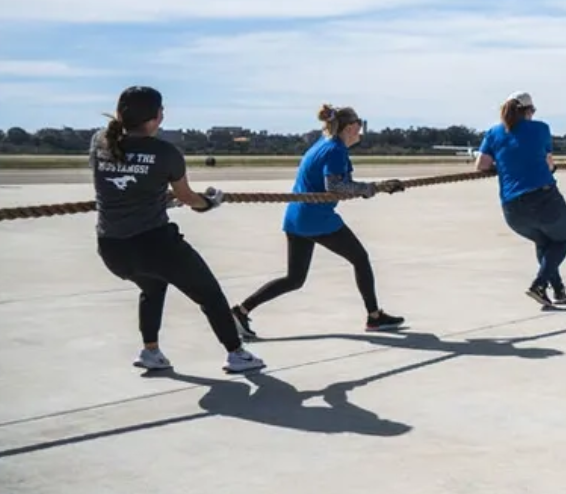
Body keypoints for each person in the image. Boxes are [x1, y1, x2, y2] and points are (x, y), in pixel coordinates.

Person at [90, 85, 264, 374]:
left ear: (120, 113)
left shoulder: (99, 142)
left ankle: (150, 352)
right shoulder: (165, 152)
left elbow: (125, 183)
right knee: (209, 294)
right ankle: (236, 353)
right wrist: (209, 203)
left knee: (153, 286)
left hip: (112, 248)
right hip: (154, 245)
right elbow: (187, 198)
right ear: (158, 116)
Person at [231, 104, 407, 339]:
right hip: (317, 219)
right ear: (351, 127)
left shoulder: (324, 144)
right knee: (360, 258)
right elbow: (334, 186)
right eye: (359, 126)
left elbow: (339, 184)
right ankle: (374, 317)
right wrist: (373, 188)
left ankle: (240, 311)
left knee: (294, 279)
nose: (360, 131)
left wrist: (375, 188)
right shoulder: (335, 150)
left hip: (297, 217)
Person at [475, 92, 566, 306]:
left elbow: (481, 165)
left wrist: (504, 167)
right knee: (564, 238)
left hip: (512, 207)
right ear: (528, 111)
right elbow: (548, 163)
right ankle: (539, 284)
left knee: (544, 241)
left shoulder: (493, 132)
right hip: (543, 198)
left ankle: (558, 289)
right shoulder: (541, 128)